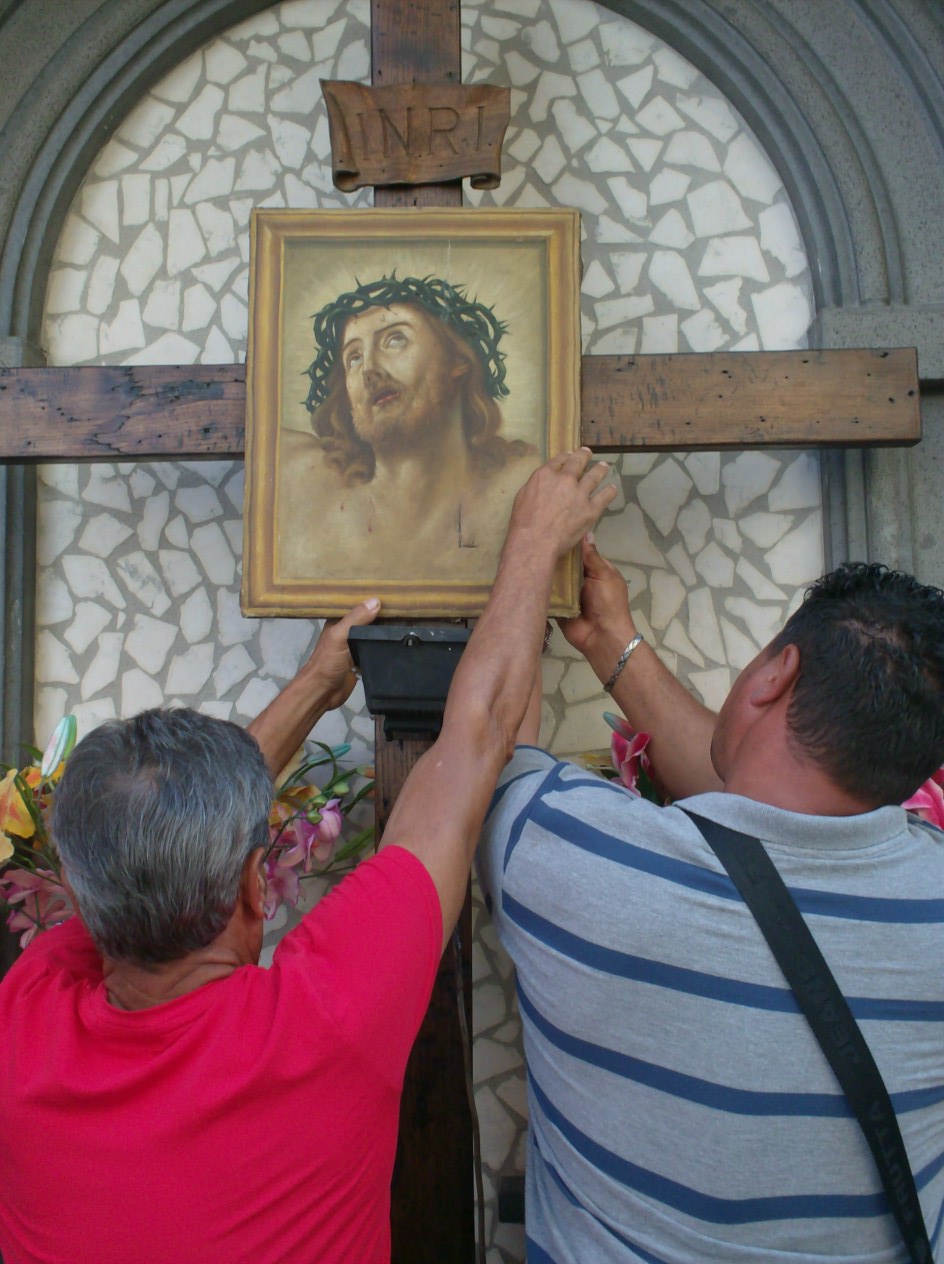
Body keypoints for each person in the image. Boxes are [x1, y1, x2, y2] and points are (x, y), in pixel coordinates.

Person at [0, 448, 616, 1264]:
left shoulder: (27, 1017)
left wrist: (314, 687)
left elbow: (157, 836)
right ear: (258, 885)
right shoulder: (325, 1023)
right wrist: (534, 542)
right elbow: (475, 743)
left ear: (77, 885)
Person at [478, 535, 944, 1262]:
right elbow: (766, 805)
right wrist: (610, 641)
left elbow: (489, 737)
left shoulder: (575, 858)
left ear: (778, 670)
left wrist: (531, 554)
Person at [278, 275, 539, 583]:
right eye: (354, 358)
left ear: (457, 359)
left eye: (395, 339)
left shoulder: (526, 484)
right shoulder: (304, 479)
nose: (369, 370)